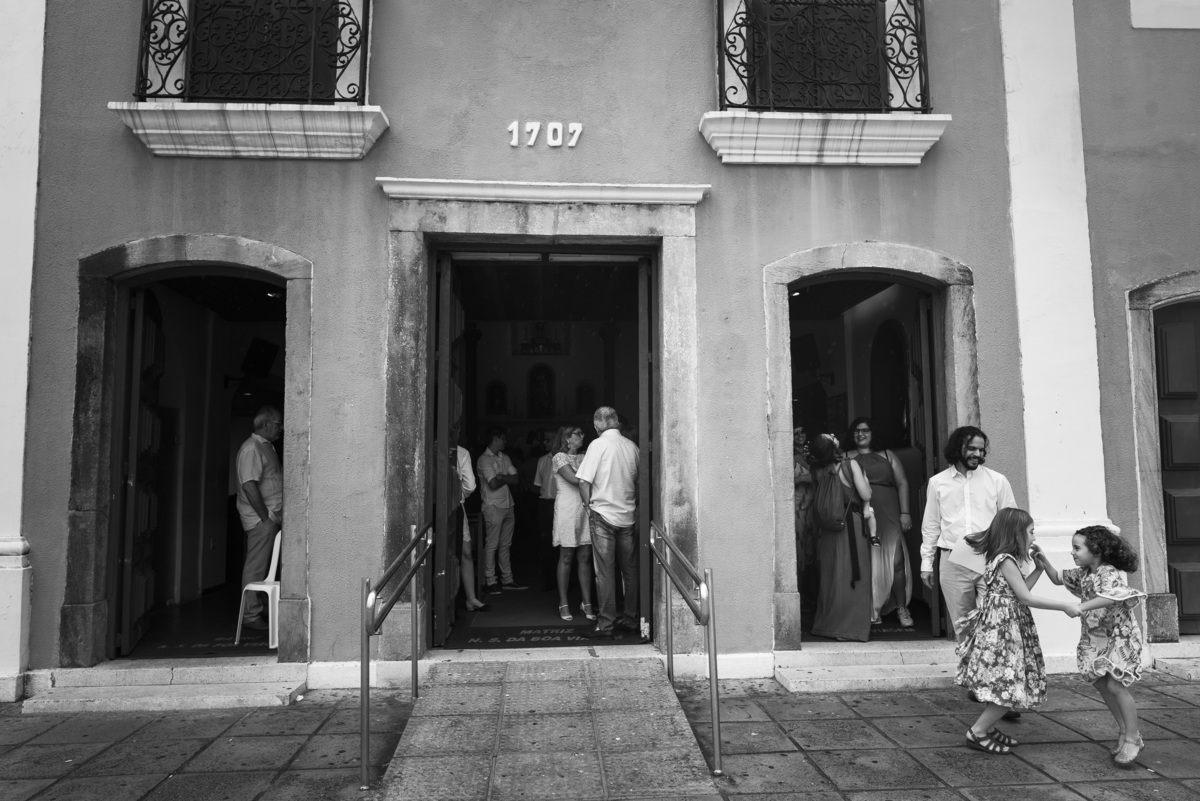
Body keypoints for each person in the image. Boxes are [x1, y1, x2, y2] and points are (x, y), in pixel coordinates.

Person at [956, 508, 1080, 755]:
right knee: (1010, 684)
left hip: (1004, 626)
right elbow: (1026, 597)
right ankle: (978, 732)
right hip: (1004, 630)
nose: (1034, 537)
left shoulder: (1002, 558)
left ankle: (989, 728)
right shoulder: (1006, 560)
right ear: (1016, 533)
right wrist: (1065, 605)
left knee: (1003, 681)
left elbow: (1018, 591)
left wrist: (1039, 569)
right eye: (1031, 532)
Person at [1035, 525, 1146, 766]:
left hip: (1119, 637)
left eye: (1077, 548)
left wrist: (1080, 607)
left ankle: (1132, 737)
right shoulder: (1084, 572)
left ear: (1096, 550)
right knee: (1101, 683)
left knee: (1116, 685)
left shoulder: (1107, 572)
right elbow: (1057, 578)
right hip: (1097, 637)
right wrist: (1043, 560)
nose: (1072, 552)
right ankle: (1124, 730)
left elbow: (1110, 596)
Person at [920, 426, 1017, 641]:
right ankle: (969, 662)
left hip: (989, 557)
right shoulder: (938, 482)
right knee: (963, 625)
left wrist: (1014, 560)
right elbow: (931, 525)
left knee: (993, 620)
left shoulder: (997, 481)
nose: (977, 454)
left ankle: (989, 663)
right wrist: (926, 563)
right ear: (958, 448)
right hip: (953, 558)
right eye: (972, 449)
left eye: (981, 450)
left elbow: (1011, 522)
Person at [576, 406, 639, 640]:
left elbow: (583, 482)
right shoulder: (632, 447)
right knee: (629, 571)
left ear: (597, 425)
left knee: (604, 572)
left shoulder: (597, 445)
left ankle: (606, 624)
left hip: (602, 515)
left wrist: (588, 507)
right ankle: (631, 620)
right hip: (627, 516)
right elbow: (638, 482)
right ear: (617, 423)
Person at [846, 417, 914, 627]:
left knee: (897, 561)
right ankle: (870, 609)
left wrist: (905, 512)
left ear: (873, 433)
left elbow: (902, 483)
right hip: (861, 515)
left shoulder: (887, 455)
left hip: (889, 513)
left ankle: (902, 607)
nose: (861, 434)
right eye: (857, 431)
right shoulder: (846, 457)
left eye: (865, 430)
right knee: (866, 563)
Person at [810, 433, 876, 642]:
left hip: (830, 529)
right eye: (830, 436)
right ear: (833, 445)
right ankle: (849, 629)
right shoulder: (849, 465)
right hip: (850, 526)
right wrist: (866, 480)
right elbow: (866, 495)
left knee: (832, 576)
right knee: (852, 576)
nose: (834, 434)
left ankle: (829, 625)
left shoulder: (818, 471)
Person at [235, 406, 284, 632]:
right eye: (278, 424)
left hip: (270, 518)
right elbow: (249, 485)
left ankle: (259, 608)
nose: (281, 428)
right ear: (266, 424)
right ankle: (250, 615)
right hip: (261, 520)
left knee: (265, 568)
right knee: (256, 567)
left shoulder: (265, 447)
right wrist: (265, 518)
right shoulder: (251, 448)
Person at [550, 425, 596, 621]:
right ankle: (563, 602)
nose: (582, 436)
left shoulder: (585, 456)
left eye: (582, 433)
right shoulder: (559, 457)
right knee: (567, 556)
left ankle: (587, 603)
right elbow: (576, 479)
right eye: (578, 433)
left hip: (585, 508)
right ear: (567, 438)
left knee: (585, 556)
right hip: (567, 510)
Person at [477, 426, 527, 593]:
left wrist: (501, 477)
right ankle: (490, 580)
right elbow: (493, 484)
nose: (505, 441)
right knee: (492, 544)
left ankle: (507, 579)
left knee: (505, 545)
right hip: (492, 506)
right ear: (496, 439)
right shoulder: (484, 459)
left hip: (508, 504)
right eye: (503, 438)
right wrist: (506, 478)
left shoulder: (504, 457)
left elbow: (516, 479)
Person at [456, 444, 489, 612]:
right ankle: (470, 598)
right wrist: (459, 496)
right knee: (465, 553)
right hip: (455, 506)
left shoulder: (431, 448)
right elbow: (469, 486)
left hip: (430, 508)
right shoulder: (461, 452)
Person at [532, 428, 560, 591]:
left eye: (548, 439)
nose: (545, 442)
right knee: (545, 541)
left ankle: (565, 580)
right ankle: (549, 578)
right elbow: (538, 485)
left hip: (560, 504)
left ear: (557, 440)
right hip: (544, 504)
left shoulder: (566, 459)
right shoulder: (542, 461)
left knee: (562, 542)